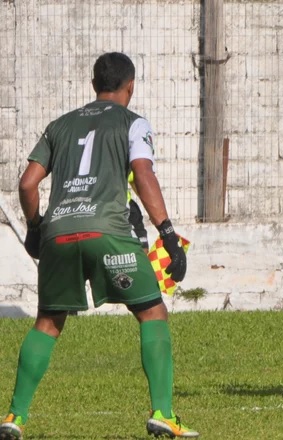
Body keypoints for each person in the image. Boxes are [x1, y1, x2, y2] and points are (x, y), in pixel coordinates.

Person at [0, 52, 198, 439]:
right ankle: (163, 412)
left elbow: (27, 184)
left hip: (58, 233)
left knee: (47, 323)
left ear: (93, 85)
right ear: (130, 87)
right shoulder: (133, 122)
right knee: (153, 313)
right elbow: (143, 174)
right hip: (108, 231)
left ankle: (14, 416)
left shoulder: (59, 126)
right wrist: (168, 234)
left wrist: (36, 227)